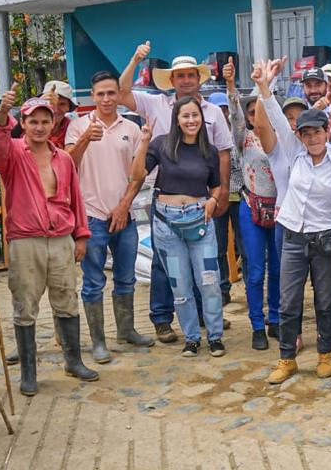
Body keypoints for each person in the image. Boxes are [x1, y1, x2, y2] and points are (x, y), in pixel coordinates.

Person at [0, 87, 98, 395]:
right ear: (22, 123)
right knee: (25, 305)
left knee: (66, 300)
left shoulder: (62, 158)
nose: (38, 127)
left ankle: (73, 361)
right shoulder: (11, 154)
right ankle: (29, 372)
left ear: (53, 124)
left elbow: (76, 198)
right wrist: (0, 115)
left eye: (44, 122)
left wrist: (81, 236)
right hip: (26, 241)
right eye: (32, 121)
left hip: (61, 239)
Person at [119, 42, 233, 342]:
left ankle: (202, 318)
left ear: (198, 78)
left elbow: (222, 153)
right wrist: (134, 60)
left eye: (190, 75)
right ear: (172, 80)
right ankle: (161, 317)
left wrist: (220, 194)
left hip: (202, 196)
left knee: (205, 262)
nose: (185, 80)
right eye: (179, 76)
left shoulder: (212, 113)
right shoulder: (155, 104)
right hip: (165, 196)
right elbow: (121, 93)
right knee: (163, 262)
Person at [251, 59, 331, 384]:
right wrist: (265, 86)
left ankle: (325, 353)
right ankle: (287, 358)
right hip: (291, 236)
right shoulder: (293, 153)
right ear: (300, 136)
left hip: (326, 239)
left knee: (325, 300)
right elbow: (275, 117)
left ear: (326, 132)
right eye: (306, 133)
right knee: (288, 300)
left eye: (317, 132)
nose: (312, 138)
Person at [65, 71, 155, 365]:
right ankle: (98, 341)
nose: (106, 99)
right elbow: (67, 166)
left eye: (111, 93)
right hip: (91, 216)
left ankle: (126, 330)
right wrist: (84, 142)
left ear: (119, 95)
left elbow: (137, 172)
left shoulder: (131, 127)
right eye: (100, 93)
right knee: (93, 281)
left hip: (123, 215)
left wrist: (125, 205)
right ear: (92, 96)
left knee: (125, 277)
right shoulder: (78, 127)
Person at [131, 95, 228, 358]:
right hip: (167, 223)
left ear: (201, 118)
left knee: (209, 282)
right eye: (185, 116)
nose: (191, 120)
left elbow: (216, 184)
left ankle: (215, 337)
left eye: (195, 115)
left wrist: (213, 200)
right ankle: (192, 338)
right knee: (180, 286)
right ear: (176, 119)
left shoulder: (208, 150)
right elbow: (137, 174)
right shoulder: (162, 144)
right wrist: (143, 142)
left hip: (200, 221)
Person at [223, 57, 281, 351]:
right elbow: (233, 113)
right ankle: (257, 324)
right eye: (251, 111)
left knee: (279, 269)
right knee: (256, 269)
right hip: (251, 206)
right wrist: (231, 84)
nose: (256, 116)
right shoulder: (243, 138)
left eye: (261, 110)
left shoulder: (283, 136)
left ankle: (276, 318)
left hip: (282, 209)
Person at [208, 86, 247, 309]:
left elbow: (238, 118)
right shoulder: (207, 135)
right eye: (218, 109)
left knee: (245, 245)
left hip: (241, 195)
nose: (222, 113)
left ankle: (251, 284)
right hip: (216, 196)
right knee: (219, 246)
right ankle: (223, 289)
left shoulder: (237, 133)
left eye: (225, 109)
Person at [11, 80, 75, 149]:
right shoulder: (23, 125)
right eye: (50, 103)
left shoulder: (74, 128)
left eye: (62, 104)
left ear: (68, 107)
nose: (55, 110)